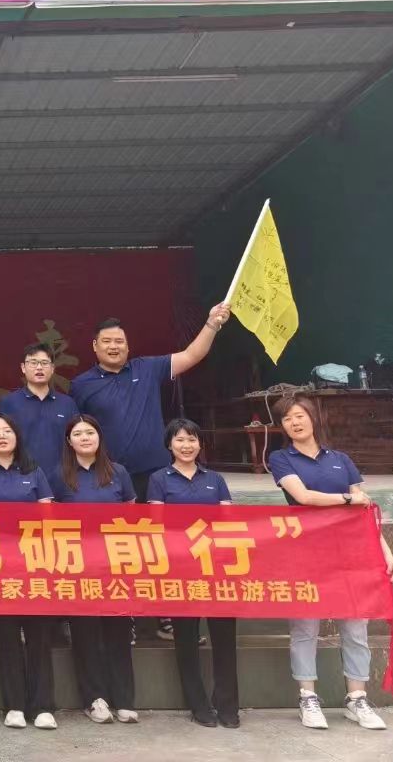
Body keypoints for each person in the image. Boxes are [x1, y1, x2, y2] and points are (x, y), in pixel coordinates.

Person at [70, 304, 229, 643]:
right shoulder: (81, 385)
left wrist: (212, 324)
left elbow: (192, 355)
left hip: (155, 476)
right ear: (94, 346)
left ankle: (167, 616)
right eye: (107, 341)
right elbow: (78, 432)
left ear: (128, 345)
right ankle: (123, 616)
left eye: (120, 341)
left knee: (162, 546)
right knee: (117, 548)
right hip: (109, 480)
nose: (114, 346)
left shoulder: (147, 368)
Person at [268, 392, 393, 732]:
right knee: (305, 627)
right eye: (286, 419)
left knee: (355, 626)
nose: (294, 422)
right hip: (304, 552)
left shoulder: (341, 459)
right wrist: (346, 498)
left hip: (350, 553)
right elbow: (303, 497)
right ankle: (307, 697)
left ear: (313, 418)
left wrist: (384, 550)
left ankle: (357, 698)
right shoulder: (280, 459)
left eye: (299, 415)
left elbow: (364, 510)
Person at [146, 418, 238, 729]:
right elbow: (156, 524)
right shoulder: (159, 479)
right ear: (169, 445)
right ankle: (198, 705)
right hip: (180, 568)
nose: (186, 445)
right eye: (180, 440)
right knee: (186, 639)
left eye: (192, 439)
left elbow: (228, 521)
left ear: (200, 444)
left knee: (224, 637)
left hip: (216, 567)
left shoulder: (215, 479)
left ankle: (228, 705)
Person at [0, 413, 57, 730]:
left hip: (33, 563)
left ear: (17, 436)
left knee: (38, 636)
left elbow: (48, 516)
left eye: (7, 430)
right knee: (6, 636)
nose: (2, 436)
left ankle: (43, 706)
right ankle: (14, 706)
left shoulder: (33, 470)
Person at [54, 415, 137, 725]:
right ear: (69, 441)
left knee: (118, 633)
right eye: (78, 434)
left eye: (90, 432)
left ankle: (124, 699)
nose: (85, 438)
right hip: (78, 566)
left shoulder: (119, 472)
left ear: (99, 436)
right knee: (85, 634)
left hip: (115, 564)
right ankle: (94, 699)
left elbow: (131, 516)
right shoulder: (59, 475)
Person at [0, 343, 79, 482]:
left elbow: (76, 441)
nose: (39, 367)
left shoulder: (67, 403)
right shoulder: (9, 403)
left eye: (44, 363)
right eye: (33, 363)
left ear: (52, 368)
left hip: (62, 479)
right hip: (21, 478)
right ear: (23, 367)